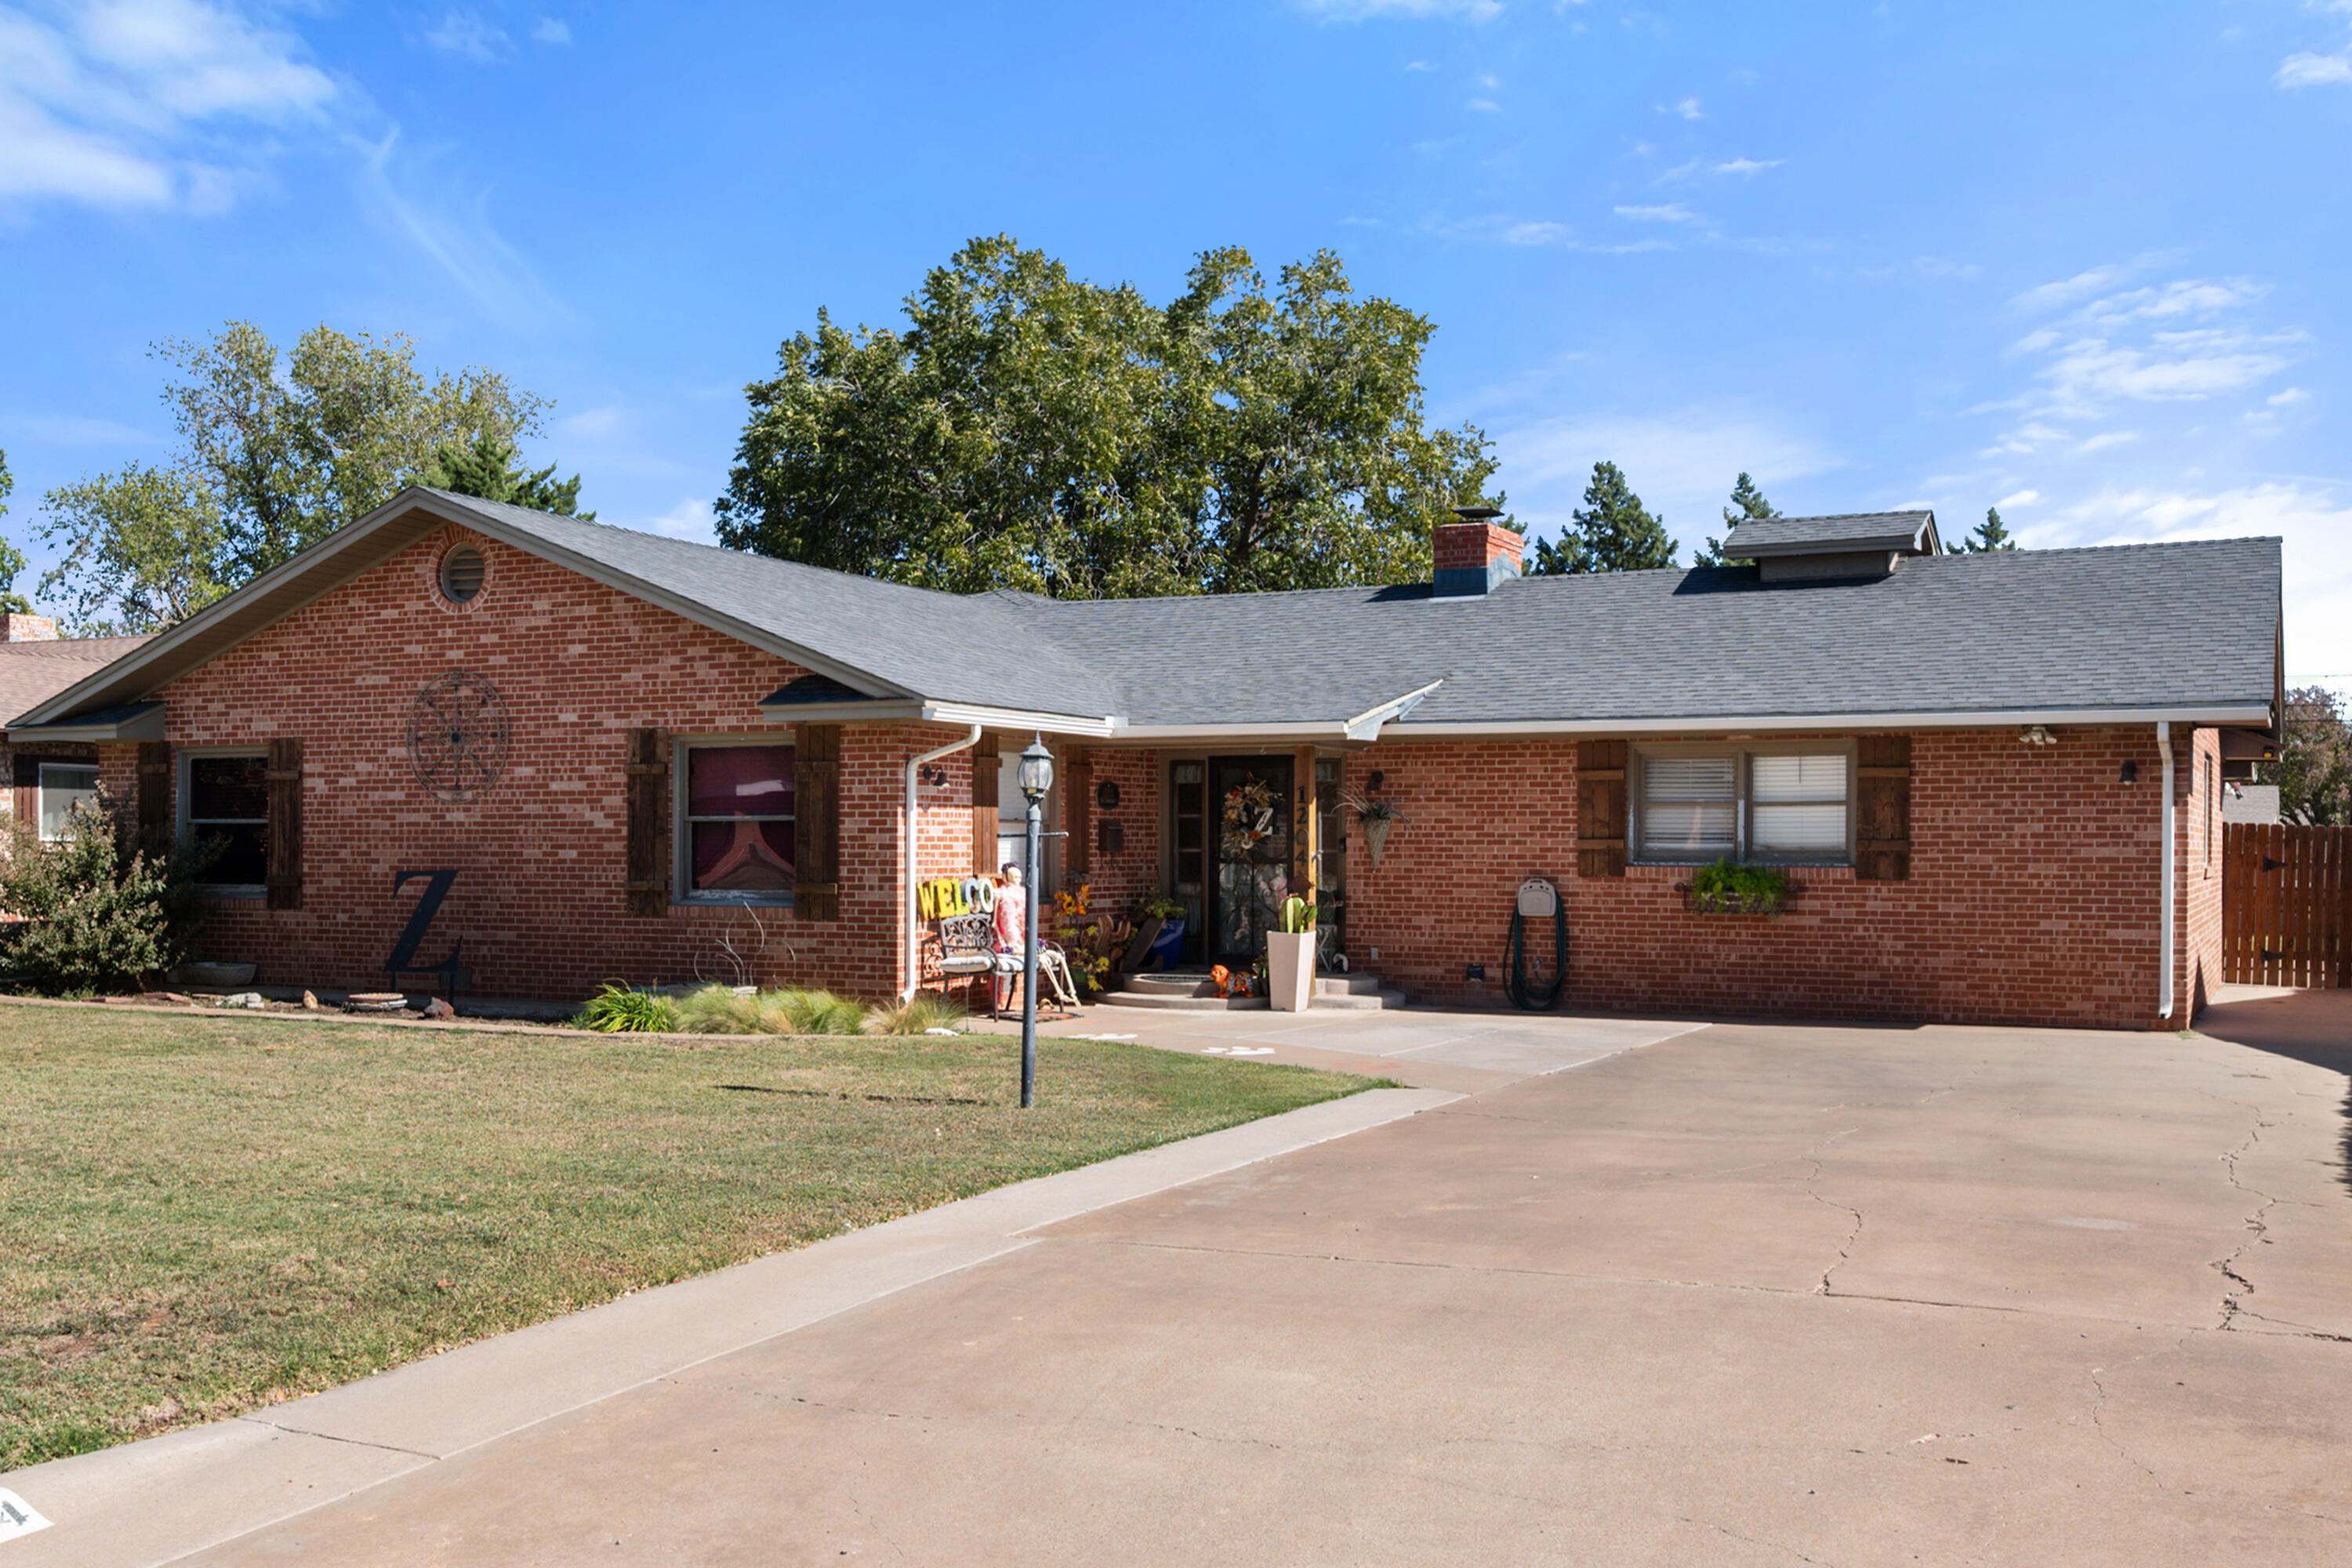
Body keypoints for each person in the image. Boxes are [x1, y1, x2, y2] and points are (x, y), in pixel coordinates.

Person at [993, 862, 1080, 1012]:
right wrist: (1006, 942)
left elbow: (1025, 923)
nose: (1017, 880)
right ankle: (1060, 992)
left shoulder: (1022, 895)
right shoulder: (1002, 895)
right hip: (1008, 944)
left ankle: (1072, 992)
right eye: (1013, 877)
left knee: (1058, 956)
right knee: (1041, 958)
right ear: (1006, 878)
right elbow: (995, 923)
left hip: (1022, 941)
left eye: (1019, 877)